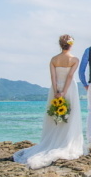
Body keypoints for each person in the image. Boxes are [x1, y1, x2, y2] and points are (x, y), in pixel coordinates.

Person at [13, 34, 85, 169]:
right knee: (70, 115)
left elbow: (53, 76)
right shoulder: (74, 59)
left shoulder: (54, 59)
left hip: (55, 87)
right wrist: (64, 91)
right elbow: (70, 75)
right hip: (69, 89)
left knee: (55, 115)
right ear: (71, 45)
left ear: (60, 44)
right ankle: (66, 141)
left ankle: (54, 140)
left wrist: (57, 90)